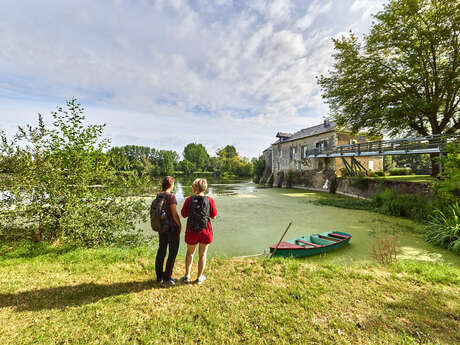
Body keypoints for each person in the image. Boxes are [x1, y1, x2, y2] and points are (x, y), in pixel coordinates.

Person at [181, 178, 217, 284]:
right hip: (205, 231)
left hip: (192, 231)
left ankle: (187, 276)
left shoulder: (189, 200)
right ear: (204, 188)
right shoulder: (210, 200)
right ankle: (199, 277)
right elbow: (214, 215)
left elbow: (183, 215)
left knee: (190, 253)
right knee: (202, 254)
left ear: (195, 188)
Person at [154, 176, 182, 287]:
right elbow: (174, 214)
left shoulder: (158, 196)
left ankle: (159, 276)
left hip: (162, 228)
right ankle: (167, 278)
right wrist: (179, 224)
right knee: (172, 252)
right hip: (172, 228)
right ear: (171, 185)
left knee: (161, 250)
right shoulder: (171, 197)